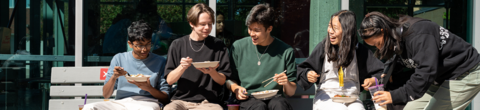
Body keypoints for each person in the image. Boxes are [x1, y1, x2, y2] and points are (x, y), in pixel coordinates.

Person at [359, 11, 480, 110]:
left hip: (465, 71)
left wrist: (394, 95)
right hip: (440, 76)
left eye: (378, 43)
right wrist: (381, 77)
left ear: (383, 31)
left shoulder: (418, 34)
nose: (379, 48)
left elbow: (426, 72)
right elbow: (402, 61)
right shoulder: (397, 37)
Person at [296, 10, 384, 110]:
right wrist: (308, 74)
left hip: (353, 98)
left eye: (335, 28)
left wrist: (373, 80)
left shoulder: (360, 51)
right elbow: (303, 69)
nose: (330, 31)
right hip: (326, 97)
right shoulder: (322, 47)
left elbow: (381, 71)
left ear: (347, 30)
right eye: (329, 26)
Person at [83, 20, 170, 110]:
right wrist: (114, 77)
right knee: (89, 107)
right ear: (130, 44)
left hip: (147, 103)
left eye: (148, 44)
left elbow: (165, 97)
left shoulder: (160, 61)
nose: (144, 49)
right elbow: (106, 95)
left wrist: (149, 88)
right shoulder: (119, 58)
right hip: (121, 103)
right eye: (139, 45)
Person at [227, 3, 296, 110]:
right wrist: (236, 88)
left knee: (280, 105)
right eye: (250, 29)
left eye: (257, 30)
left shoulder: (286, 51)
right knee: (259, 107)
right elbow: (229, 79)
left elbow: (290, 92)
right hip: (248, 98)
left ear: (269, 29)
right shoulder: (238, 47)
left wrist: (286, 82)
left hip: (276, 98)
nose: (252, 34)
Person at [163, 3, 232, 110]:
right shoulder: (177, 44)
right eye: (202, 24)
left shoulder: (218, 45)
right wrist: (182, 67)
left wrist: (212, 71)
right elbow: (169, 81)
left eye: (210, 24)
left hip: (209, 102)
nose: (207, 28)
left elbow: (222, 80)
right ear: (192, 23)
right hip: (180, 101)